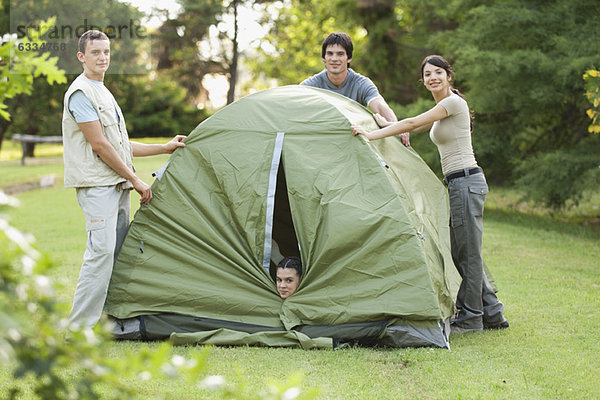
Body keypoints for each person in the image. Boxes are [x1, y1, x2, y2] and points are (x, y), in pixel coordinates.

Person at [350, 55, 508, 334]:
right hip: (460, 184)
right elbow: (413, 127)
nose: (433, 77)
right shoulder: (441, 108)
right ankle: (492, 313)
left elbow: (411, 123)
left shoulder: (453, 103)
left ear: (449, 76)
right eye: (427, 74)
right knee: (464, 252)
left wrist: (369, 135)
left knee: (467, 253)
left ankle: (472, 318)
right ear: (423, 81)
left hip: (467, 182)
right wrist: (381, 123)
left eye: (438, 72)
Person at [62, 30, 186, 331]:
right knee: (100, 254)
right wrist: (136, 180)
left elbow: (120, 145)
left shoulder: (104, 91)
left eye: (106, 52)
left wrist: (164, 147)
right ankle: (78, 331)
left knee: (117, 253)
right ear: (82, 57)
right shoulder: (80, 93)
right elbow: (100, 146)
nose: (102, 57)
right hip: (97, 188)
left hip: (115, 186)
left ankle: (107, 321)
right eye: (95, 53)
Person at [300, 32, 409, 146]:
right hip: (322, 142)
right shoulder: (311, 85)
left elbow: (380, 107)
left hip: (353, 142)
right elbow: (292, 102)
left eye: (340, 54)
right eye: (330, 54)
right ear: (324, 58)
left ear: (349, 58)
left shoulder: (361, 83)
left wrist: (397, 127)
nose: (334, 59)